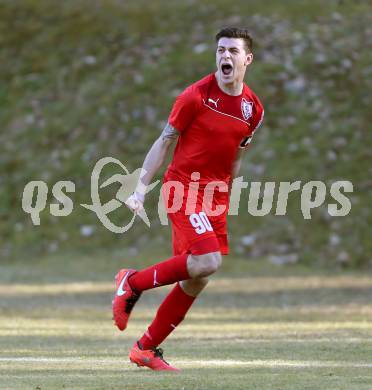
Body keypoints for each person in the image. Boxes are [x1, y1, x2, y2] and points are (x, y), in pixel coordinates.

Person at [112, 27, 264, 371]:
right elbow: (165, 141)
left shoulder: (253, 109)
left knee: (197, 276)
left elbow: (235, 155)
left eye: (233, 51)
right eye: (221, 50)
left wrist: (230, 191)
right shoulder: (195, 95)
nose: (225, 56)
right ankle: (131, 283)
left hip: (216, 195)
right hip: (183, 189)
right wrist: (139, 188)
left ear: (247, 59)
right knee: (208, 260)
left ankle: (146, 349)